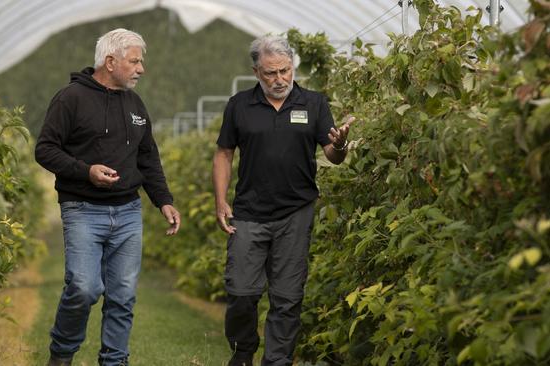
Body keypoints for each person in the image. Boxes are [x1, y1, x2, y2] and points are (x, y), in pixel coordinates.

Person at [35, 28, 181, 366]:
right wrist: (86, 170)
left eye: (140, 61)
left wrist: (164, 200)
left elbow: (148, 158)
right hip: (83, 210)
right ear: (110, 61)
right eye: (135, 61)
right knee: (84, 289)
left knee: (122, 296)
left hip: (128, 212)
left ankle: (115, 361)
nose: (141, 68)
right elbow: (45, 150)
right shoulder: (70, 98)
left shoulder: (135, 104)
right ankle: (61, 355)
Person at [212, 35, 353, 366]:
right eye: (270, 73)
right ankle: (243, 351)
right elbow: (224, 153)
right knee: (241, 292)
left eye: (285, 71)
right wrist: (221, 201)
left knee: (287, 298)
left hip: (296, 211)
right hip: (248, 211)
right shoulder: (239, 105)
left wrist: (342, 145)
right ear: (256, 72)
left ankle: (277, 361)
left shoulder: (314, 103)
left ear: (293, 67)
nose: (279, 80)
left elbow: (333, 154)